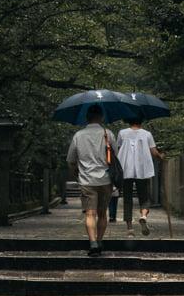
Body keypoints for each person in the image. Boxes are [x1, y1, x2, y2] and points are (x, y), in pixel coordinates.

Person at [66, 103, 117, 256]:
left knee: (90, 213)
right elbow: (115, 155)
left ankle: (93, 243)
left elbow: (71, 159)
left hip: (87, 180)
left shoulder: (79, 135)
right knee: (102, 214)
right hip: (106, 179)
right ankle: (100, 241)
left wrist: (77, 173)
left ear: (87, 117)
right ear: (101, 117)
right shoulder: (108, 133)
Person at [116, 116, 164, 236]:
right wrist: (160, 156)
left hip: (126, 170)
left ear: (129, 121)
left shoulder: (122, 133)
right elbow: (154, 152)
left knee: (127, 199)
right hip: (142, 170)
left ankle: (130, 229)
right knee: (144, 197)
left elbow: (118, 149)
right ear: (141, 121)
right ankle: (143, 216)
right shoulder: (147, 134)